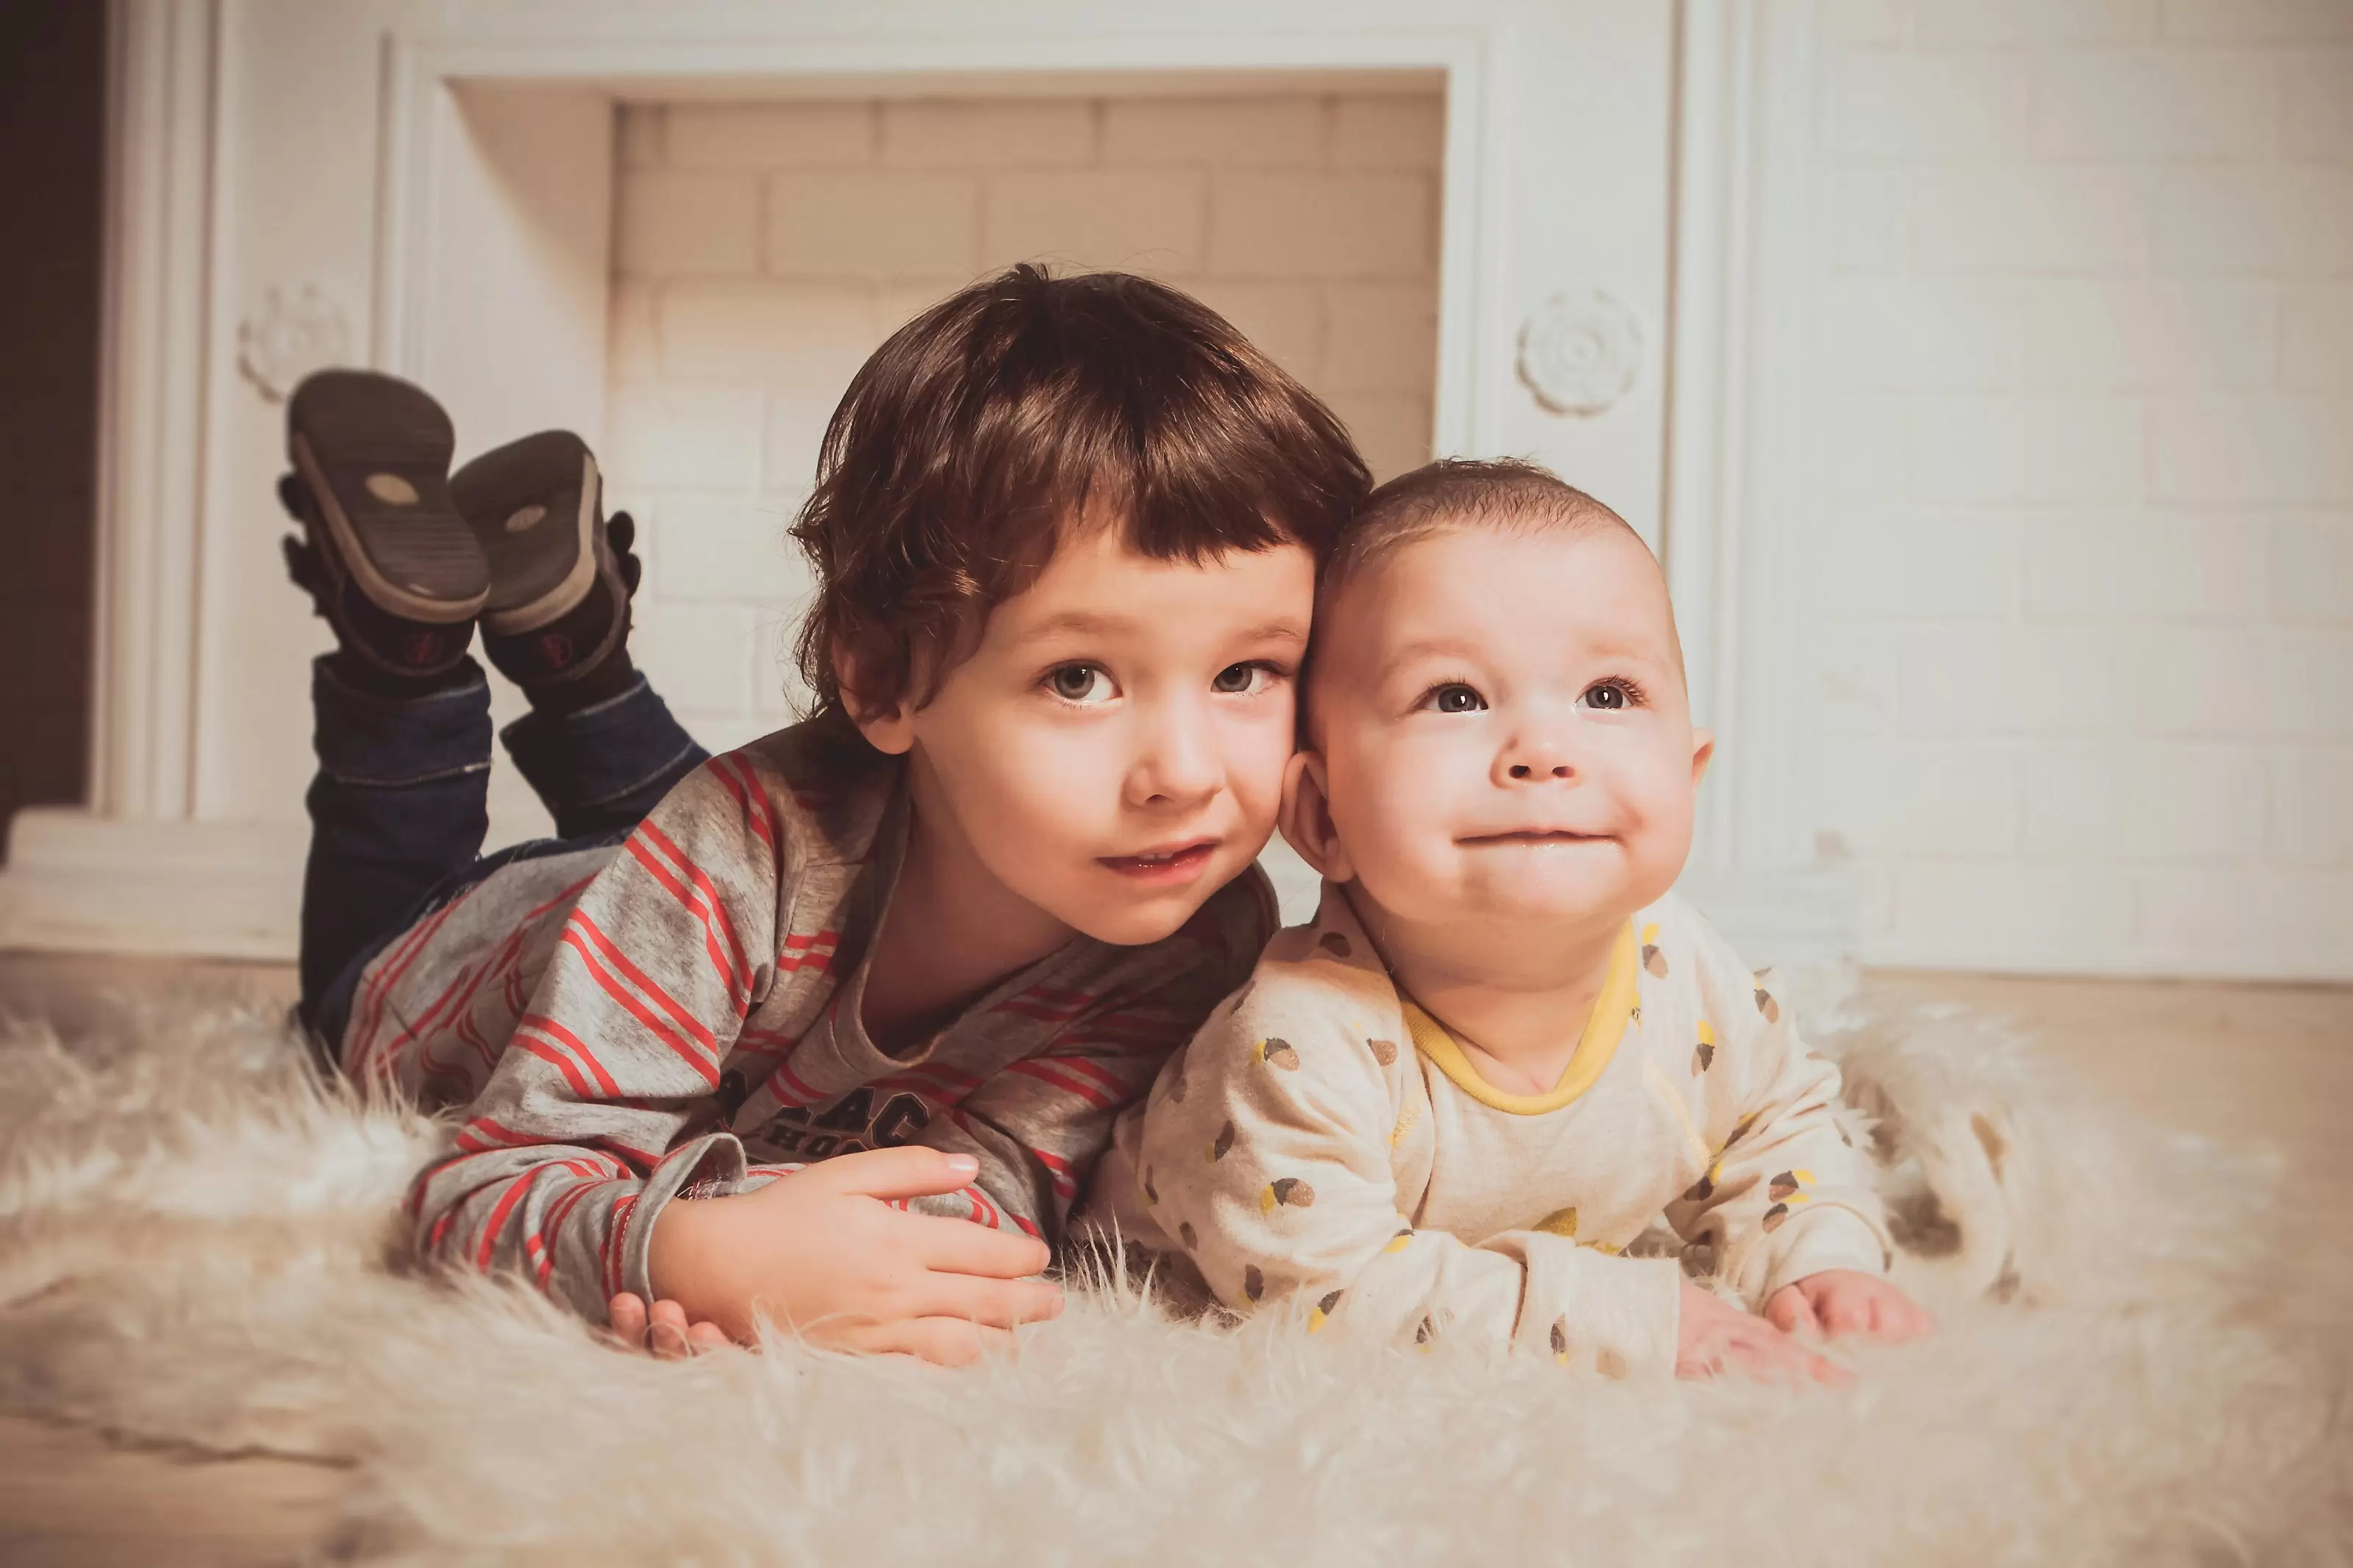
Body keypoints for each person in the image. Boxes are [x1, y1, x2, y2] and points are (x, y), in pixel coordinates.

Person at [282, 265, 1371, 1361]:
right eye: (1078, 678)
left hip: (727, 899)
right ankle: (404, 657)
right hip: (457, 951)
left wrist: (810, 1244)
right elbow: (470, 1193)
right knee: (361, 967)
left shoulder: (1191, 930)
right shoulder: (734, 854)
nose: (1182, 775)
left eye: (1246, 673)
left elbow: (996, 1194)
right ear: (884, 679)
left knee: (762, 843)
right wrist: (679, 1254)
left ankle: (582, 666)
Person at [1082, 459, 1932, 1383]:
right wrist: (1630, 1317)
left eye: (1606, 696)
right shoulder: (1292, 1043)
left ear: (1686, 779)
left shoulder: (1679, 966)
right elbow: (1324, 1293)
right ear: (1323, 817)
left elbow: (1774, 1125)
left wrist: (1819, 1255)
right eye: (1455, 698)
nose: (1543, 751)